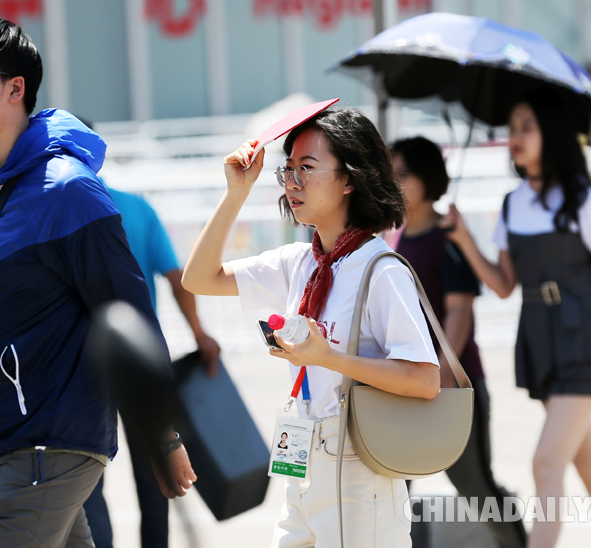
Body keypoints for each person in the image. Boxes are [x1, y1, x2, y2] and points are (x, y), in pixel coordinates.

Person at [0, 15, 196, 548]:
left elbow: (128, 310)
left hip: (46, 441)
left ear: (16, 87)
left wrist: (162, 435)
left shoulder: (68, 191)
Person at [182, 107, 440, 548]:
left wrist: (327, 358)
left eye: (307, 167)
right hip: (299, 457)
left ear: (349, 179)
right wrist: (236, 193)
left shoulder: (379, 269)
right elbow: (199, 279)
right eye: (288, 169)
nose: (292, 182)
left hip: (359, 464)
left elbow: (425, 379)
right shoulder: (298, 263)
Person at [441, 90, 591, 548]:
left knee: (545, 464)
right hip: (541, 339)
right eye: (512, 129)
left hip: (585, 340)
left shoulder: (584, 200)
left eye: (527, 127)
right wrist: (462, 238)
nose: (515, 138)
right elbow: (504, 284)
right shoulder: (511, 204)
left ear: (552, 134)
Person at [387, 136, 527, 548]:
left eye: (403, 174)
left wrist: (441, 381)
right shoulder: (390, 241)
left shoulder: (447, 241)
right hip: (405, 388)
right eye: (389, 173)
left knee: (476, 489)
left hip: (454, 390)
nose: (393, 183)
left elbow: (459, 312)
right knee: (395, 491)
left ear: (428, 180)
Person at [83, 185, 221, 548]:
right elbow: (177, 278)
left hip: (84, 362)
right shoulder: (136, 207)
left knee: (86, 477)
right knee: (154, 472)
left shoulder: (61, 205)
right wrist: (199, 333)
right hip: (139, 358)